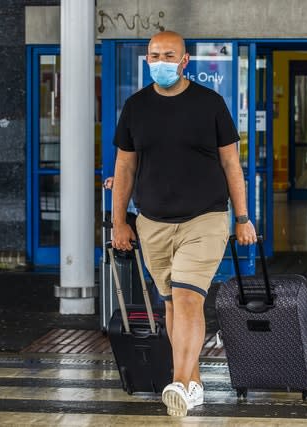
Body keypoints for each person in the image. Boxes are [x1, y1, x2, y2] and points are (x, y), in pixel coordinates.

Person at [111, 30, 257, 416]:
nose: (161, 61)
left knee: (190, 297)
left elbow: (231, 165)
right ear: (147, 59)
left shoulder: (210, 104)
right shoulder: (135, 107)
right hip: (152, 222)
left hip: (205, 218)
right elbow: (124, 166)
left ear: (185, 60)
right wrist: (118, 222)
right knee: (172, 304)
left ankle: (178, 383)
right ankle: (192, 384)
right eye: (154, 55)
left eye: (168, 55)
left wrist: (241, 218)